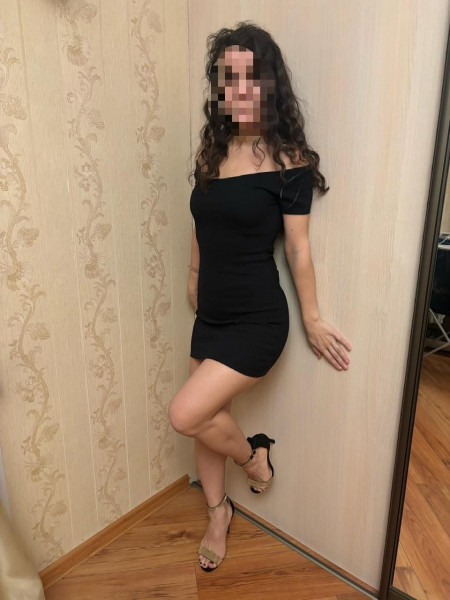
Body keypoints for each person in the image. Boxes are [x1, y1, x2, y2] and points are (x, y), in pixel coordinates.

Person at [168, 21, 352, 572]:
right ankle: (218, 513)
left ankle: (254, 458)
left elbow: (297, 248)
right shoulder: (211, 152)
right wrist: (194, 274)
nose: (237, 89)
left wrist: (312, 318)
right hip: (211, 313)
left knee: (185, 413)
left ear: (268, 83)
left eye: (248, 77)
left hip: (257, 319)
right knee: (208, 417)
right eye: (228, 78)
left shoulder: (288, 158)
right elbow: (202, 221)